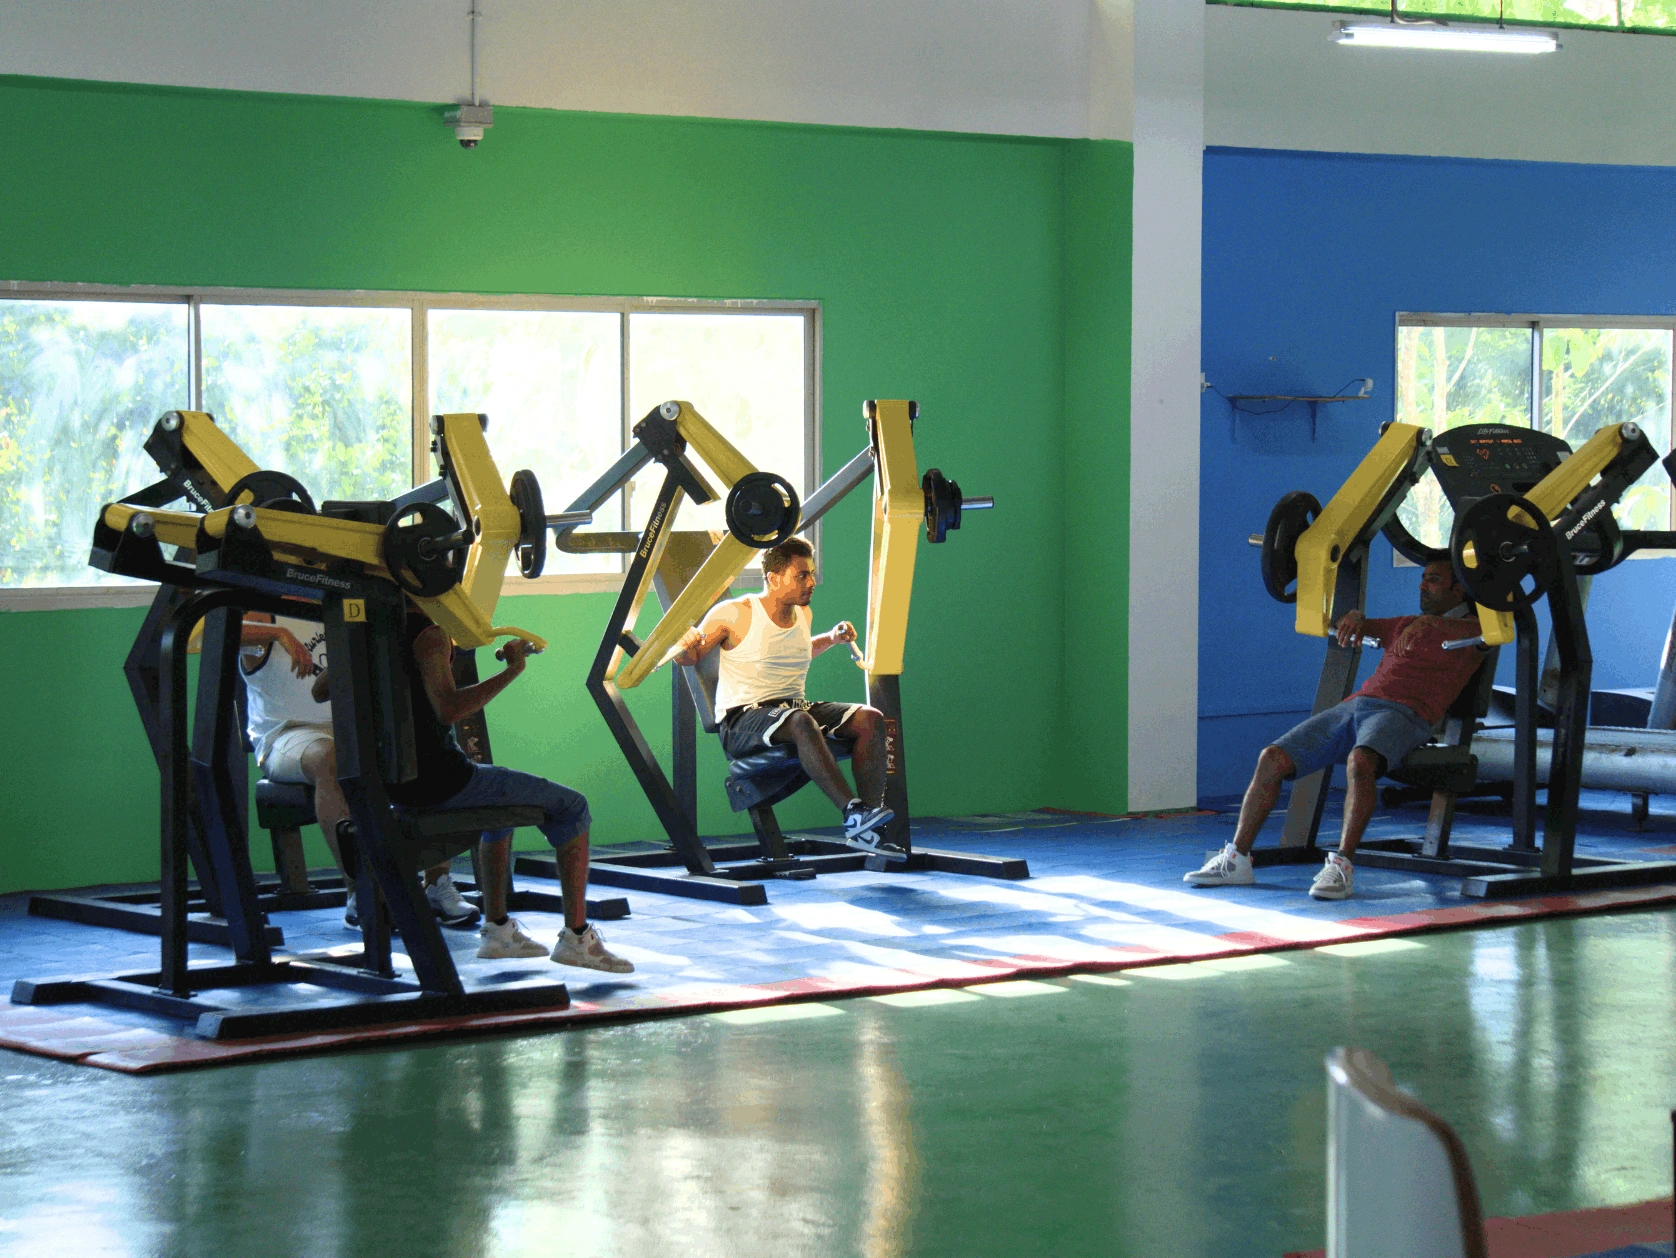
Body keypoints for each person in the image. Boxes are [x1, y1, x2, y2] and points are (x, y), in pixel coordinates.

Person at [1185, 560, 1488, 900]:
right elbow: (1356, 624)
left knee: (1361, 762)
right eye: (1422, 578)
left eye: (1432, 580)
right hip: (1356, 706)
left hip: (1405, 715)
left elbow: (1494, 633)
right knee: (1271, 758)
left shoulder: (1477, 632)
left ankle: (1342, 866)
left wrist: (1434, 624)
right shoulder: (1407, 623)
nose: (1422, 586)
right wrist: (1355, 615)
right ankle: (1237, 860)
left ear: (1458, 589)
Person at [374, 601, 634, 972]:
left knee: (501, 806)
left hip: (395, 788)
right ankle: (577, 938)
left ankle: (497, 931)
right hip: (445, 783)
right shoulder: (428, 635)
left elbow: (322, 689)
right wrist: (513, 670)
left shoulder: (368, 631)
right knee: (572, 806)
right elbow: (449, 709)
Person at [240, 611, 481, 930]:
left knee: (423, 749)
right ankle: (360, 893)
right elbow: (215, 628)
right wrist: (279, 632)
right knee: (331, 759)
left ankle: (436, 884)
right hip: (288, 735)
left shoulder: (341, 605)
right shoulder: (263, 613)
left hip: (352, 729)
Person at [671, 535, 895, 852]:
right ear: (773, 578)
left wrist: (831, 638)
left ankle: (868, 827)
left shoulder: (803, 613)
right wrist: (684, 645)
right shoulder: (734, 613)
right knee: (801, 721)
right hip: (742, 720)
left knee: (869, 719)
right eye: (801, 575)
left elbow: (795, 651)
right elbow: (690, 657)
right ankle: (852, 813)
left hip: (792, 710)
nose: (811, 582)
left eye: (812, 574)